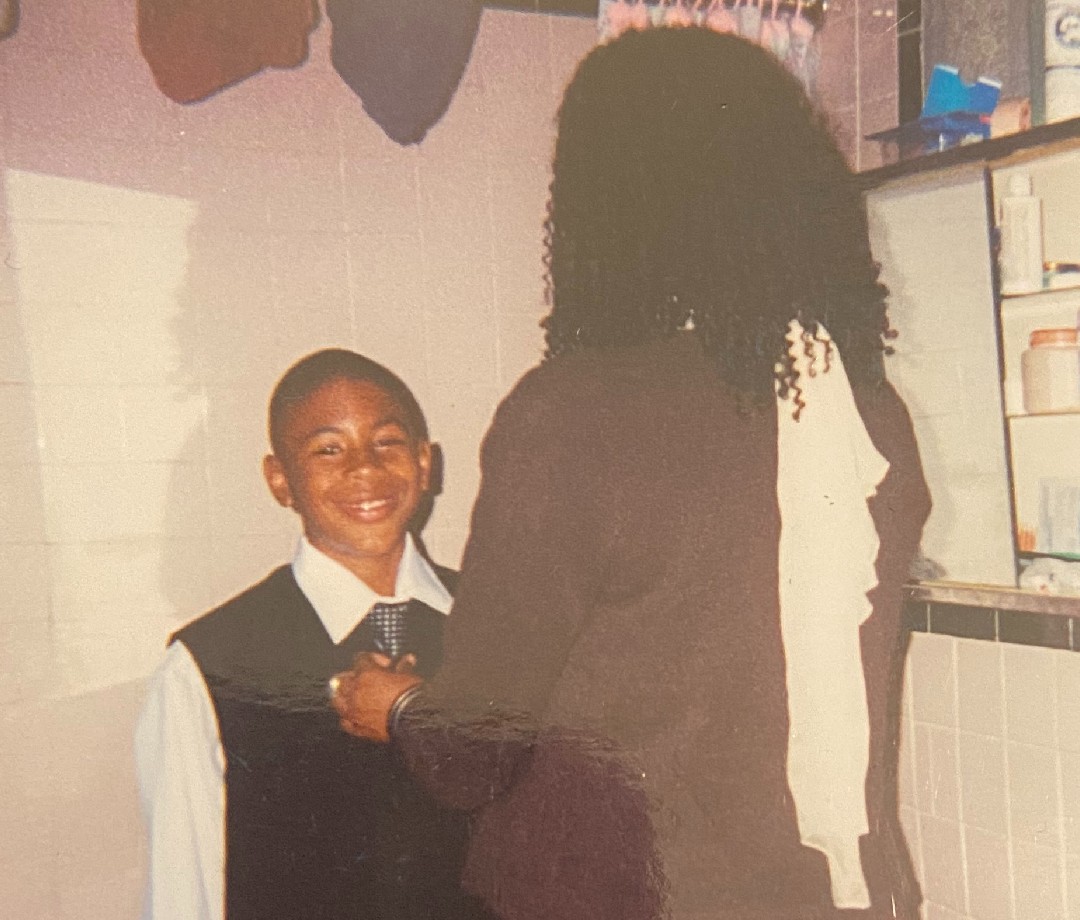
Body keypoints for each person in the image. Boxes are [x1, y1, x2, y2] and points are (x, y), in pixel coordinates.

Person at [333, 27, 932, 920]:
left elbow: (473, 752)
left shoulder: (575, 414)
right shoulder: (869, 417)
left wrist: (396, 705)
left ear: (605, 206)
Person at [135, 349, 488, 920]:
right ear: (281, 481)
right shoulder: (208, 668)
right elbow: (185, 896)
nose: (364, 467)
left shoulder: (500, 623)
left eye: (387, 442)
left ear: (425, 464)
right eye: (328, 449)